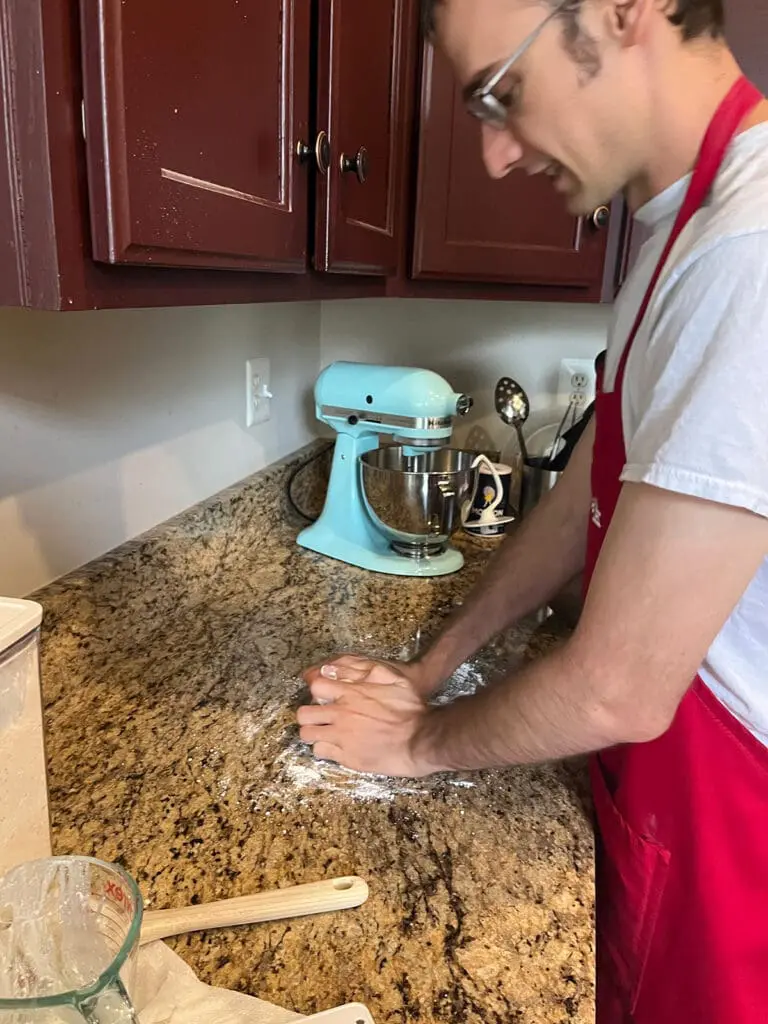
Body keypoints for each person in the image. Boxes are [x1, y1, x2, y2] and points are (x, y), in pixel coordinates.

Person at [297, 1, 768, 1020]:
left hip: (744, 852)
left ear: (622, 9)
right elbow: (588, 496)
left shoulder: (750, 249)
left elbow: (620, 688)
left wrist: (412, 745)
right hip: (672, 815)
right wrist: (428, 667)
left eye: (501, 93)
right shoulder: (672, 228)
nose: (498, 154)